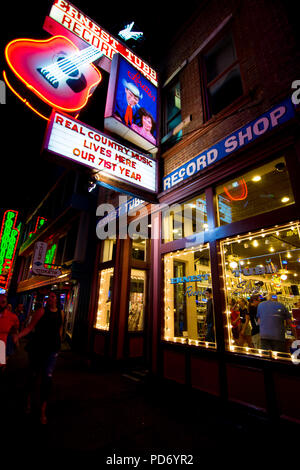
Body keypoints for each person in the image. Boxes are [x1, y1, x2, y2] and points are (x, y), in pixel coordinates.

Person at [16, 291, 63, 424]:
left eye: (53, 297)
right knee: (33, 376)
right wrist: (18, 336)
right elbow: (30, 327)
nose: (51, 299)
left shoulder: (61, 313)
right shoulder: (41, 312)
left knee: (47, 379)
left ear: (57, 299)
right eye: (49, 297)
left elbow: (60, 328)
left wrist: (59, 345)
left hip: (52, 350)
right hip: (38, 348)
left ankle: (42, 411)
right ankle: (28, 401)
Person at [0, 294, 19, 368]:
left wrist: (16, 340)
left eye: (3, 302)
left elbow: (14, 330)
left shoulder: (12, 317)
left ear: (6, 304)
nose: (0, 304)